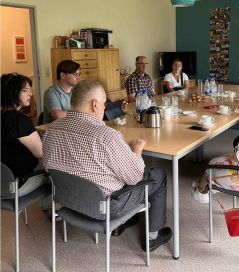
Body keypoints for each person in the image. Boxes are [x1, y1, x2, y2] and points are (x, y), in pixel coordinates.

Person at [42, 80, 172, 251]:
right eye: (104, 104)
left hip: (68, 201)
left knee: (112, 171)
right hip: (105, 207)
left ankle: (123, 223)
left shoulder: (52, 129)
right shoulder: (107, 136)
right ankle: (152, 236)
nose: (105, 108)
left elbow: (47, 166)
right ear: (95, 104)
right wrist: (136, 152)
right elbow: (134, 177)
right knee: (157, 175)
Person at [1, 73, 47, 196]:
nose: (31, 94)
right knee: (57, 175)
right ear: (12, 93)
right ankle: (56, 214)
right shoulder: (20, 120)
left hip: (3, 181)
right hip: (17, 183)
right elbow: (42, 153)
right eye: (25, 90)